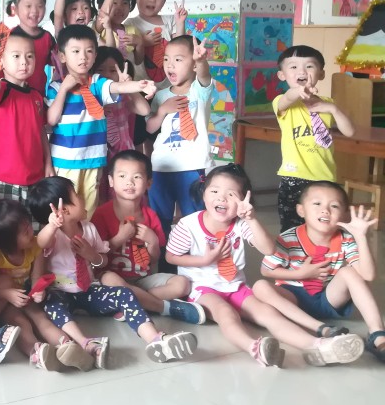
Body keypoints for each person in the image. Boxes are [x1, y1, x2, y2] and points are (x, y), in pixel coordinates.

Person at [164, 164, 363, 368]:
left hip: (235, 286)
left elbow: (268, 249)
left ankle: (319, 345)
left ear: (244, 200)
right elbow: (171, 257)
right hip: (201, 287)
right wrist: (204, 261)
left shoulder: (241, 223)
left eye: (231, 194)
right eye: (214, 191)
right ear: (203, 194)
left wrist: (251, 219)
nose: (222, 198)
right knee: (226, 314)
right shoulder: (188, 225)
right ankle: (254, 348)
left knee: (268, 314)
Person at [27, 177, 199, 368]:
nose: (82, 197)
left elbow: (103, 260)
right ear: (65, 210)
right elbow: (41, 243)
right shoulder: (53, 235)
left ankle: (155, 339)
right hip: (60, 293)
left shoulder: (89, 229)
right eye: (76, 195)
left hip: (88, 291)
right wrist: (52, 225)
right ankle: (85, 343)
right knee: (52, 305)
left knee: (124, 293)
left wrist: (91, 255)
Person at [256, 180, 385, 362]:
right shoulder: (288, 239)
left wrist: (361, 237)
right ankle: (321, 328)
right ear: (301, 210)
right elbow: (267, 271)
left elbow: (368, 275)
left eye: (334, 206)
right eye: (317, 203)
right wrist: (300, 274)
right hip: (293, 300)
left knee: (349, 272)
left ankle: (377, 335)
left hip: (327, 298)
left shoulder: (346, 238)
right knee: (260, 286)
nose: (325, 210)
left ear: (344, 214)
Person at [47, 25, 156, 214]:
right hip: (65, 161)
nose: (83, 57)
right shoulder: (56, 87)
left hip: (94, 160)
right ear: (63, 56)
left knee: (89, 210)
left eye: (89, 51)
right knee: (65, 211)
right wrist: (64, 89)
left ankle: (89, 234)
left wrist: (139, 85)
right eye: (76, 51)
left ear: (95, 55)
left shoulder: (97, 83)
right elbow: (51, 119)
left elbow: (117, 87)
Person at [92, 151, 206, 325]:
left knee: (183, 284)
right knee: (109, 279)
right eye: (122, 176)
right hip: (112, 280)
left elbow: (154, 259)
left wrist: (152, 240)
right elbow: (96, 258)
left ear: (149, 183)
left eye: (137, 177)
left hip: (142, 279)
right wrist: (120, 237)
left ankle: (132, 303)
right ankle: (163, 307)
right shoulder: (101, 214)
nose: (129, 182)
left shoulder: (151, 215)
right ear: (111, 181)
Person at [0, 199, 64, 370]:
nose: (31, 231)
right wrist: (6, 294)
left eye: (29, 225)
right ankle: (36, 352)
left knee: (40, 318)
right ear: (7, 242)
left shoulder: (34, 246)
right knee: (21, 322)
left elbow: (36, 280)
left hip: (21, 296)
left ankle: (67, 345)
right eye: (25, 231)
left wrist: (39, 292)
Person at [272, 45, 355, 231]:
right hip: (294, 178)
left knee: (325, 227)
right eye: (293, 67)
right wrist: (299, 91)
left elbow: (350, 132)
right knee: (291, 229)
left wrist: (333, 109)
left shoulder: (329, 104)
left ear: (321, 74)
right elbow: (288, 97)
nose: (302, 71)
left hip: (325, 177)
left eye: (309, 66)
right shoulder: (282, 103)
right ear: (282, 75)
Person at [145, 35, 214, 237]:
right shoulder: (161, 95)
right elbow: (150, 128)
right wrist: (162, 111)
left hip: (191, 166)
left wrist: (201, 61)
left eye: (178, 59)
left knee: (194, 217)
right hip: (161, 166)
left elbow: (204, 76)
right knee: (160, 218)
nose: (170, 65)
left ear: (193, 64)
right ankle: (163, 254)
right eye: (166, 59)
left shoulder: (199, 92)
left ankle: (192, 253)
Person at [0, 33, 47, 204]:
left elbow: (40, 131)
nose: (24, 62)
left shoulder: (36, 96)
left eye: (29, 56)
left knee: (32, 222)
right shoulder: (3, 90)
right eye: (16, 56)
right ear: (2, 61)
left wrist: (48, 163)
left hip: (36, 178)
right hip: (2, 178)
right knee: (5, 221)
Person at [93, 47, 149, 203]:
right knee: (99, 195)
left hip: (122, 153)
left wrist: (130, 87)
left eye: (112, 70)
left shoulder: (123, 96)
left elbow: (144, 110)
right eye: (100, 70)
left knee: (120, 195)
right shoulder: (90, 96)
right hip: (98, 153)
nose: (106, 75)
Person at [124, 0, 186, 84]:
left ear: (164, 2)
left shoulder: (170, 20)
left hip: (168, 85)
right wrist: (143, 42)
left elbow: (180, 47)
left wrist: (180, 23)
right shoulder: (130, 24)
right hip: (141, 86)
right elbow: (130, 57)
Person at [9, 0, 57, 95]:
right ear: (15, 9)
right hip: (12, 95)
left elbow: (57, 61)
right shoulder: (9, 37)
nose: (34, 11)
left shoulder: (47, 38)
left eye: (40, 6)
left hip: (38, 95)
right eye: (28, 6)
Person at [93, 0, 143, 67]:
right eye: (114, 3)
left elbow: (138, 61)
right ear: (101, 6)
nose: (120, 8)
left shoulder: (132, 30)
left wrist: (140, 43)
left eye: (125, 3)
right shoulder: (100, 29)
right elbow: (102, 15)